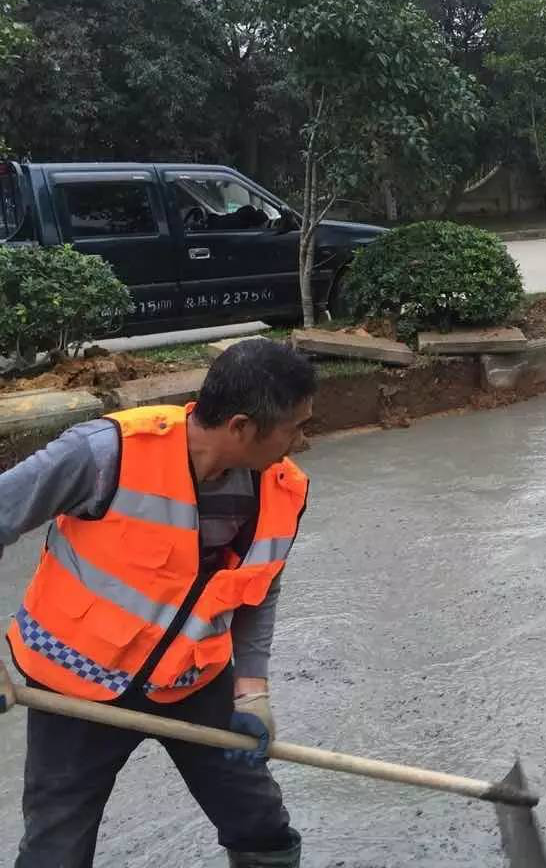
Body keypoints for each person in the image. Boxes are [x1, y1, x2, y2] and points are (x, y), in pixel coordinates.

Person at [0, 339, 316, 868]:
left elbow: (260, 587)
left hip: (191, 679)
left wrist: (251, 690)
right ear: (241, 427)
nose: (302, 441)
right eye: (295, 427)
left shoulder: (281, 489)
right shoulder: (106, 454)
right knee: (57, 848)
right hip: (79, 685)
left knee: (260, 825)